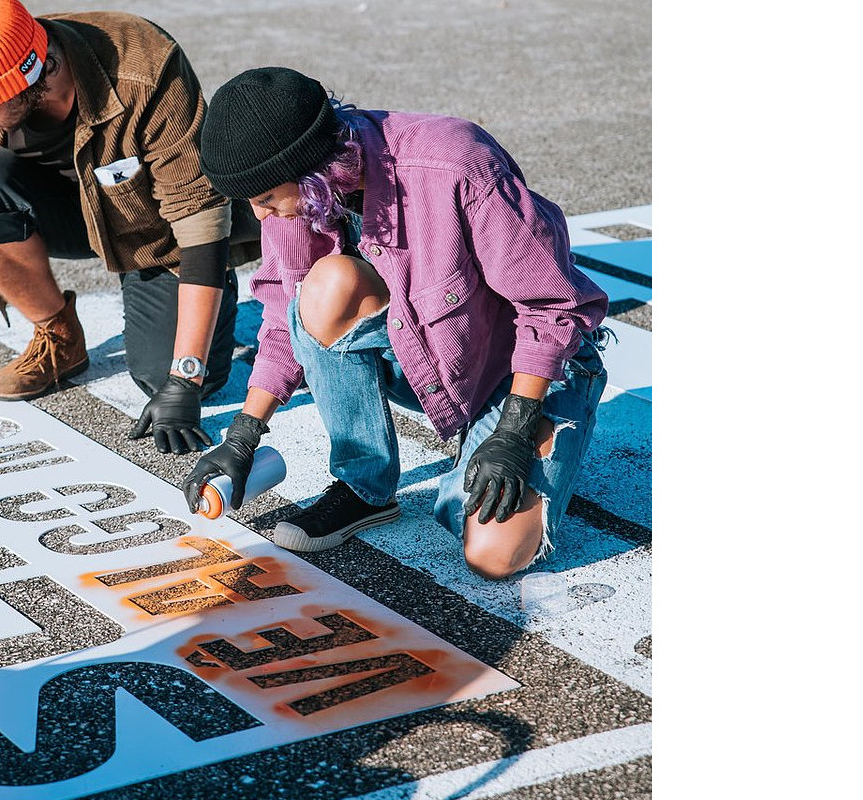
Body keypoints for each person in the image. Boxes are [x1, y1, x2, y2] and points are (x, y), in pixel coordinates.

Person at [184, 67, 610, 580]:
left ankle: (525, 432)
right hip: (434, 360)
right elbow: (283, 324)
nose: (261, 215)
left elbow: (551, 308)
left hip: (522, 371)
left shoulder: (455, 163)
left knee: (494, 554)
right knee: (326, 286)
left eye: (266, 198)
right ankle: (364, 489)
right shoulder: (299, 204)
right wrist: (242, 437)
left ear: (311, 169)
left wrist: (515, 431)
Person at [0, 0, 259, 454]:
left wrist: (185, 376)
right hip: (65, 215)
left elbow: (200, 219)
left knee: (170, 380)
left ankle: (199, 317)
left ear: (30, 75)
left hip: (156, 236)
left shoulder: (143, 67)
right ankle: (59, 336)